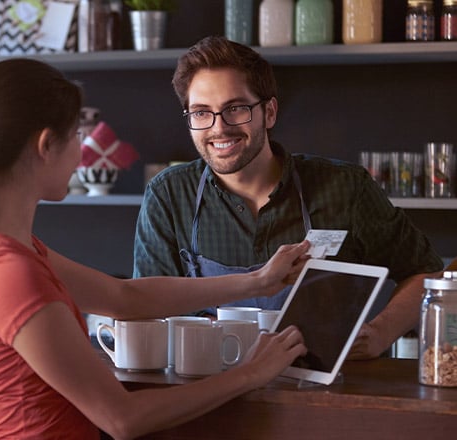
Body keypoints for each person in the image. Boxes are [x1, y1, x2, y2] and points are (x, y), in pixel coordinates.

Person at [0, 58, 311, 439]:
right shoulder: (7, 270)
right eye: (76, 136)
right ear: (45, 144)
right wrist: (250, 374)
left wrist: (258, 281)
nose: (81, 154)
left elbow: (123, 297)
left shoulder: (1, 251)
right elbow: (123, 419)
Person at [133, 35, 444, 360]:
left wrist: (381, 333)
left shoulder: (346, 188)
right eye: (200, 113)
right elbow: (146, 305)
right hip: (211, 393)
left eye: (235, 108)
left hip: (325, 396)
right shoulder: (169, 194)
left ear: (269, 112)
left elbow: (426, 271)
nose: (219, 128)